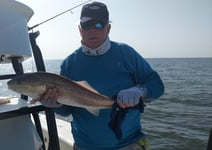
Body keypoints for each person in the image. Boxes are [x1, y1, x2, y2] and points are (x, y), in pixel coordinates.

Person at [32, 1, 164, 150]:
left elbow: (157, 85)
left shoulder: (126, 53)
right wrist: (54, 104)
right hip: (85, 146)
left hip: (128, 145)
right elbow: (67, 110)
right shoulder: (69, 63)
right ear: (80, 29)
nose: (92, 30)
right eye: (87, 25)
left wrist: (140, 90)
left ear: (108, 28)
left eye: (99, 25)